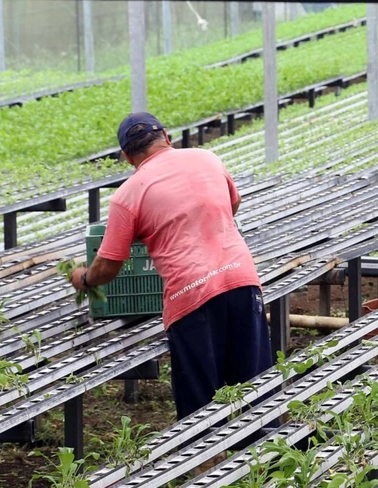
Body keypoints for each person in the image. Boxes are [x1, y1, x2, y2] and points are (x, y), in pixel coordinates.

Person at [71, 112, 272, 421]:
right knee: (255, 391)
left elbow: (109, 265)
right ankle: (265, 460)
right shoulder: (207, 159)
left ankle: (205, 462)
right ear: (167, 135)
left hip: (192, 295)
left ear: (127, 156)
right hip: (241, 279)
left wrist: (84, 277)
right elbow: (231, 204)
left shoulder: (128, 194)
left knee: (199, 405)